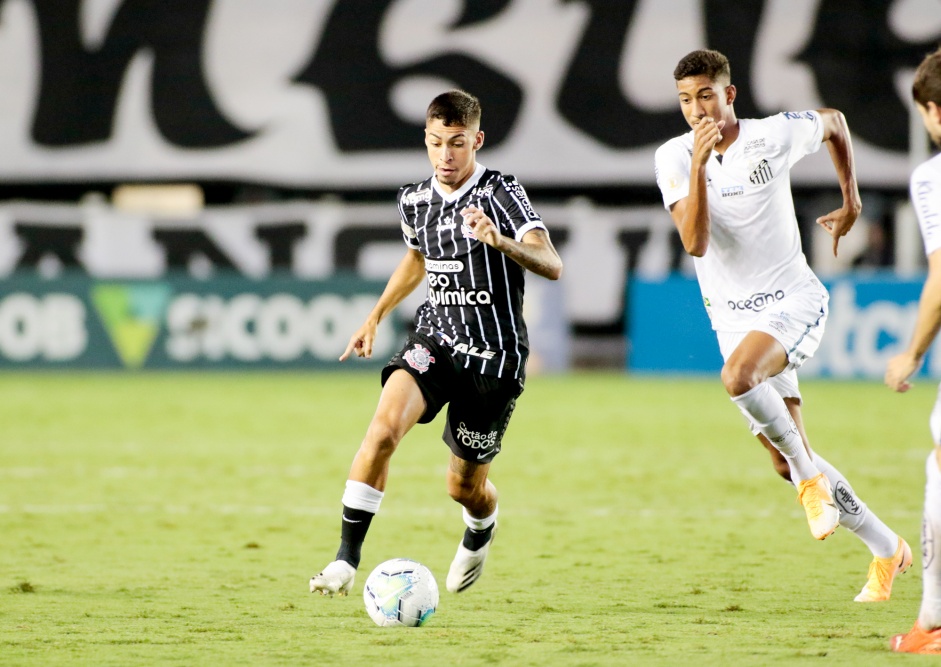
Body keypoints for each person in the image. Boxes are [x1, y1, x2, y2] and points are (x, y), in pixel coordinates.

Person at [654, 49, 910, 601]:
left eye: (705, 95)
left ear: (729, 95)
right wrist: (698, 166)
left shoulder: (772, 135)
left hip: (792, 300)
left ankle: (812, 485)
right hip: (732, 318)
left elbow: (835, 123)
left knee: (737, 378)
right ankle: (888, 548)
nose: (696, 110)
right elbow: (694, 241)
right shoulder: (673, 158)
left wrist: (852, 199)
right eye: (684, 100)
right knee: (785, 460)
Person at [309, 90, 563, 597]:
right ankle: (344, 560)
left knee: (462, 488)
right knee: (382, 431)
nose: (445, 156)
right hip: (435, 339)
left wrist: (501, 242)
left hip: (494, 358)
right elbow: (417, 258)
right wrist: (376, 314)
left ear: (477, 141)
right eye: (436, 143)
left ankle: (481, 525)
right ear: (425, 141)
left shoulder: (501, 193)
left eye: (457, 144)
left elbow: (551, 262)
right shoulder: (414, 200)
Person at [885, 46, 941, 653]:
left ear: (934, 112)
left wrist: (912, 353)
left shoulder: (934, 177)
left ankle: (932, 624)